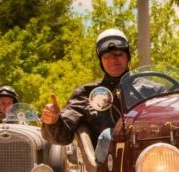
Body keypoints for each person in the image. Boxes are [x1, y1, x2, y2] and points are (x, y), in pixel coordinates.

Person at [41, 28, 131, 164]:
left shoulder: (151, 90)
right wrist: (52, 121)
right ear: (101, 61)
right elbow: (63, 136)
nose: (113, 60)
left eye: (118, 54)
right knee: (108, 135)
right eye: (107, 57)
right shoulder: (85, 94)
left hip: (159, 165)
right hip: (104, 171)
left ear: (127, 56)